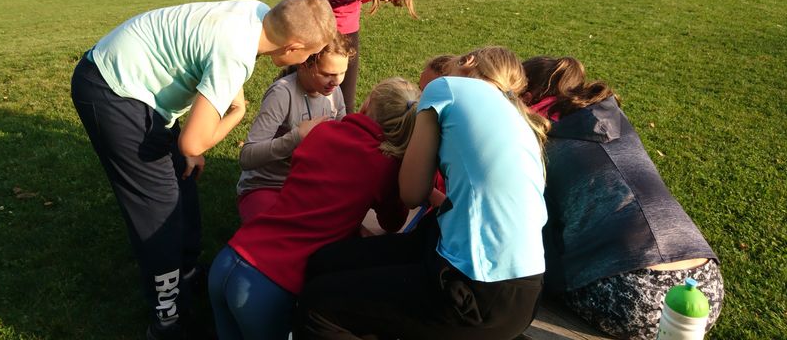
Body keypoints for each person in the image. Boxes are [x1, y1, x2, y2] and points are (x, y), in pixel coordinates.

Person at [70, 0, 336, 340]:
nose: (308, 60)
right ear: (293, 48)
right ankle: (167, 319)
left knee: (183, 180)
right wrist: (235, 114)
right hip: (114, 90)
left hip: (137, 81)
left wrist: (194, 144)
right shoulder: (235, 53)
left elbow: (214, 64)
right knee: (159, 211)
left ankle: (186, 271)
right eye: (311, 54)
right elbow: (192, 142)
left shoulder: (257, 13)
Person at [296, 46, 550, 340]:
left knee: (318, 306)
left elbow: (412, 193)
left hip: (473, 288)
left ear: (467, 61)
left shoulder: (447, 88)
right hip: (516, 289)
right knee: (325, 263)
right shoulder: (517, 116)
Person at [522, 56, 724, 340]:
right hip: (705, 289)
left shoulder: (541, 141)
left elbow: (534, 229)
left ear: (527, 95)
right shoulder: (612, 118)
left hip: (631, 293)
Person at [208, 77, 420, 340]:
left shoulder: (322, 132)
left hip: (232, 256)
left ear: (367, 104)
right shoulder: (385, 167)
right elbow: (392, 222)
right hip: (269, 283)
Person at [289, 0, 422, 111]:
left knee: (345, 97)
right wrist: (321, 16)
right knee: (300, 81)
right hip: (317, 21)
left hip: (348, 22)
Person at [236, 35, 354, 223]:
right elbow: (247, 157)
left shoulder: (334, 92)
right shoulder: (282, 94)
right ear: (304, 64)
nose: (337, 81)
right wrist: (296, 137)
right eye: (327, 74)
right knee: (274, 232)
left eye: (342, 72)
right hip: (268, 185)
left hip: (310, 183)